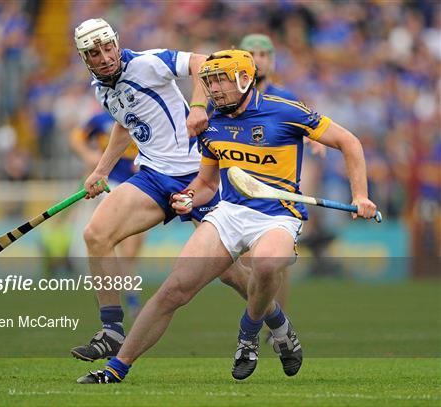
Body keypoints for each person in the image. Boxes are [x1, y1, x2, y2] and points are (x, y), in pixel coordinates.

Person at [77, 49, 378, 384]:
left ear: (244, 80)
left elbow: (349, 142)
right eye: (209, 82)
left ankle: (247, 335)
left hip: (278, 216)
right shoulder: (211, 123)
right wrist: (189, 198)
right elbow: (206, 182)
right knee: (174, 290)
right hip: (229, 213)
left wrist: (360, 195)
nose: (214, 89)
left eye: (221, 81)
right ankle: (115, 370)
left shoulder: (285, 111)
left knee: (265, 265)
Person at [69, 18, 246, 362]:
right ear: (84, 59)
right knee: (96, 235)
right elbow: (125, 124)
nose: (104, 57)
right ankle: (111, 331)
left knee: (228, 272)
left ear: (116, 43)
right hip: (153, 177)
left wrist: (197, 107)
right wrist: (101, 170)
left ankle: (278, 324)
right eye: (94, 53)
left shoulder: (147, 63)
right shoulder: (102, 90)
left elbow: (202, 62)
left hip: (197, 177)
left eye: (107, 48)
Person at [238, 33, 326, 343]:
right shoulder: (225, 99)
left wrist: (315, 143)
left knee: (276, 266)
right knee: (246, 265)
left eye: (264, 53)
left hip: (276, 197)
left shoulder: (285, 98)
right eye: (252, 52)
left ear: (272, 61)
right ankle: (273, 319)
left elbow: (312, 128)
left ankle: (276, 329)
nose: (259, 58)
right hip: (238, 195)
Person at [70, 110, 145, 318]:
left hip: (143, 186)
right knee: (113, 242)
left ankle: (126, 296)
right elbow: (77, 137)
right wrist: (88, 155)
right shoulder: (100, 119)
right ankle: (120, 299)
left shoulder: (145, 111)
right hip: (111, 185)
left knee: (130, 252)